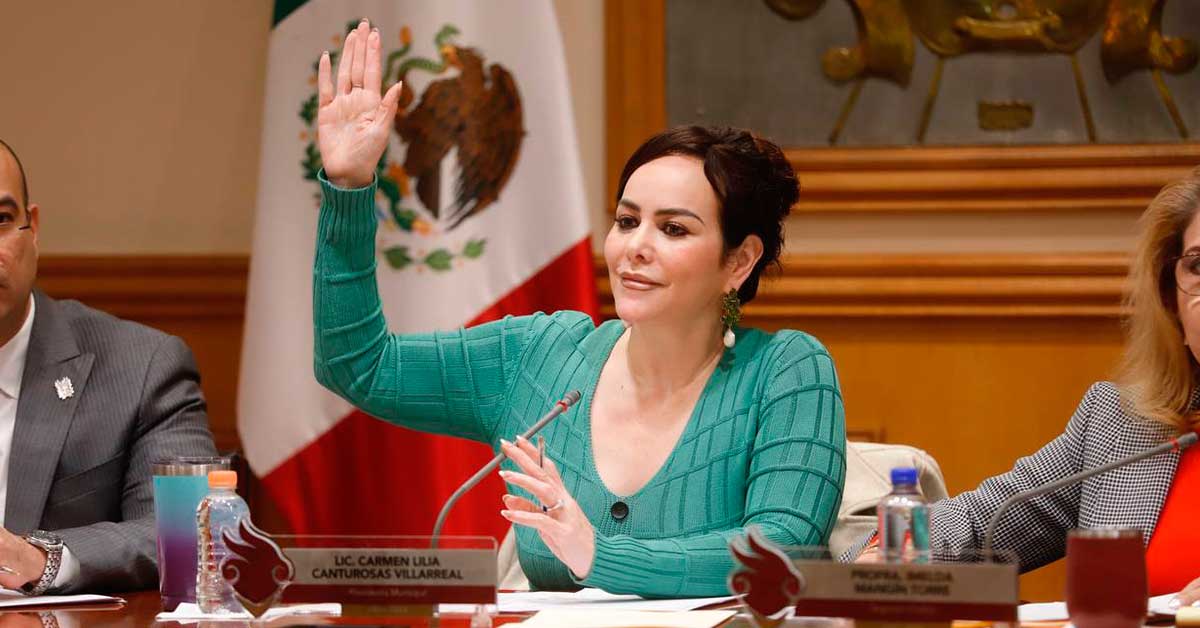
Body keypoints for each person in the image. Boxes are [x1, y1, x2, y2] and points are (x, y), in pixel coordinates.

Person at [310, 19, 846, 597]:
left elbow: (784, 548)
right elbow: (357, 364)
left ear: (739, 262)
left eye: (673, 228)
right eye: (626, 221)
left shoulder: (786, 371)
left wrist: (599, 555)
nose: (635, 247)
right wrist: (350, 185)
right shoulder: (538, 358)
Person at [854, 167, 1200, 604]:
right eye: (1199, 266)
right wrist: (882, 556)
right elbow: (979, 523)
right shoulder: (1122, 424)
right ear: (1171, 302)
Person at [0, 138, 218, 594]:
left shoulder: (142, 368)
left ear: (32, 228)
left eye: (1, 220)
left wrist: (43, 559)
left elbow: (189, 532)